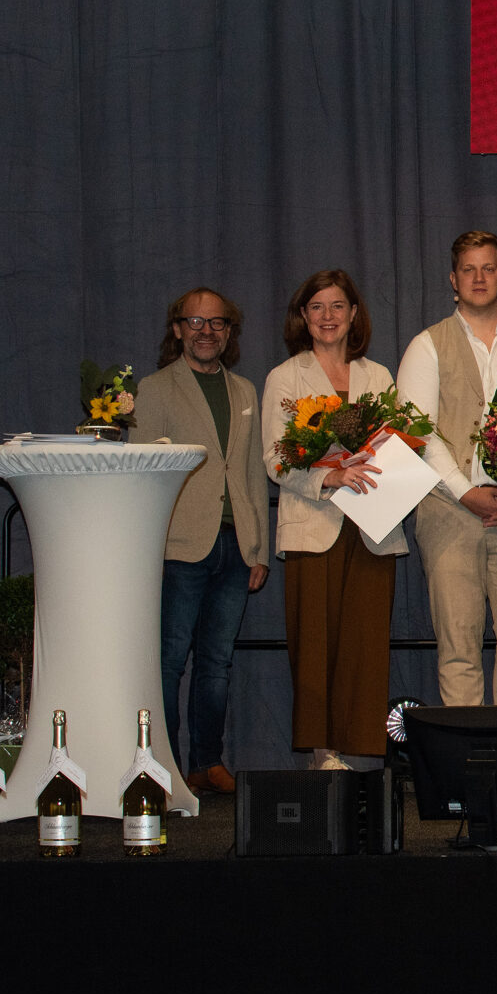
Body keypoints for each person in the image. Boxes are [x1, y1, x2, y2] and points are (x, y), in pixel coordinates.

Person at [263, 270, 403, 772]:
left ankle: (359, 748)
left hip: (371, 524)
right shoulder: (285, 377)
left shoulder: (380, 376)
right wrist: (330, 476)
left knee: (365, 642)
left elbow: (400, 444)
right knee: (315, 643)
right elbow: (276, 459)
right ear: (303, 316)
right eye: (317, 307)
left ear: (354, 315)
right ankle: (323, 753)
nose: (328, 316)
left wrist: (375, 466)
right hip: (313, 521)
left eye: (338, 306)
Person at [132, 289, 270, 793]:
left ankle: (206, 764)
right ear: (177, 329)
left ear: (229, 332)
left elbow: (252, 470)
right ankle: (161, 767)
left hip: (235, 547)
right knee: (169, 661)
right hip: (178, 546)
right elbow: (142, 474)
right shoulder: (153, 389)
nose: (205, 331)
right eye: (195, 321)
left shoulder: (245, 391)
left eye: (217, 323)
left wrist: (257, 546)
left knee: (217, 663)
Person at [395, 230, 497, 706]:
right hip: (449, 511)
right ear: (453, 280)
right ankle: (468, 762)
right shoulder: (427, 345)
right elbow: (417, 432)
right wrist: (463, 491)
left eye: (488, 268)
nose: (479, 278)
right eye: (468, 269)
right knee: (459, 644)